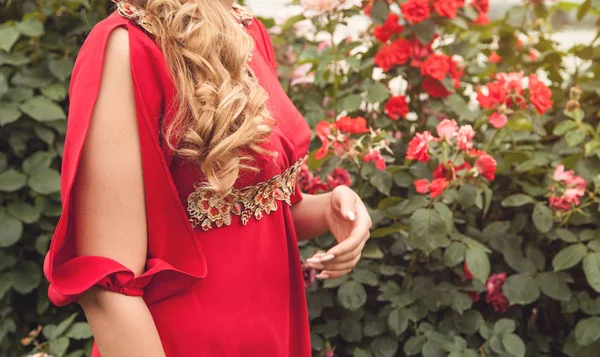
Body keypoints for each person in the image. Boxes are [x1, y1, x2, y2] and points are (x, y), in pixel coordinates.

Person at [43, 0, 372, 356]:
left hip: (276, 334)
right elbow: (109, 287)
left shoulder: (245, 30)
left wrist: (330, 210)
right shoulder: (127, 48)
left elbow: (246, 214)